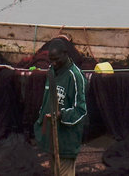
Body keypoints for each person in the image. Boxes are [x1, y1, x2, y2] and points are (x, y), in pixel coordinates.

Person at [36, 36, 91, 176]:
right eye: (51, 59)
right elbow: (46, 100)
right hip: (52, 137)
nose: (53, 63)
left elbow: (81, 110)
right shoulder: (51, 72)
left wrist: (62, 114)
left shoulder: (75, 77)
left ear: (66, 54)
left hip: (67, 140)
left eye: (57, 59)